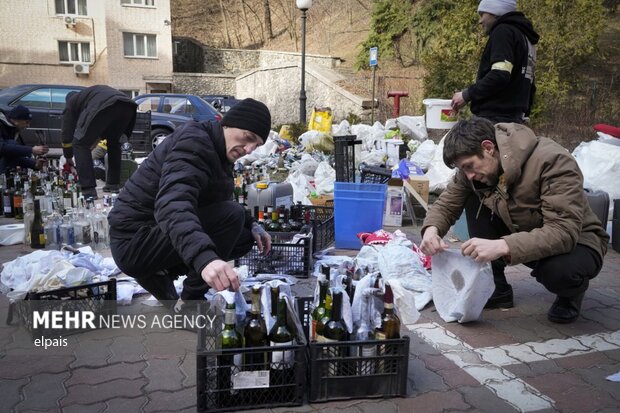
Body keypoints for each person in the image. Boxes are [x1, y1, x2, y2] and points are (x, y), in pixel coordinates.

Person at [420, 118, 608, 324]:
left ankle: (570, 295)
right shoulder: (473, 170)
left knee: (559, 272)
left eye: (469, 166)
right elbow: (447, 203)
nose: (469, 175)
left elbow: (563, 231)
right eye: (463, 169)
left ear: (488, 147)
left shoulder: (553, 161)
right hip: (523, 230)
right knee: (473, 196)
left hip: (577, 241)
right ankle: (497, 288)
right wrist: (432, 230)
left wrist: (503, 245)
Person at [108, 98, 273, 306]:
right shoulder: (194, 142)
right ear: (228, 123)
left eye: (256, 145)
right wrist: (206, 260)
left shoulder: (219, 149)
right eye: (248, 138)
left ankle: (162, 272)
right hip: (133, 242)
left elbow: (216, 201)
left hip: (154, 233)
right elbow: (172, 204)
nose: (249, 149)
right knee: (232, 216)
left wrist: (253, 225)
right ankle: (190, 303)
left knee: (244, 235)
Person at [451, 0, 539, 124]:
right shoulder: (526, 38)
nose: (480, 21)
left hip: (494, 119)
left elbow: (500, 74)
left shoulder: (503, 31)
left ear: (495, 12)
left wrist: (466, 95)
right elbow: (530, 84)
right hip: (516, 119)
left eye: (482, 15)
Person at [61, 85, 137, 199]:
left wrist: (68, 156)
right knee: (113, 143)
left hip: (108, 104)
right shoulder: (90, 96)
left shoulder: (71, 102)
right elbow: (102, 127)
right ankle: (113, 184)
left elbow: (67, 133)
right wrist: (92, 141)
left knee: (80, 144)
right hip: (128, 106)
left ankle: (88, 190)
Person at [0, 105, 49, 173]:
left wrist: (35, 164)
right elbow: (2, 148)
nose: (28, 126)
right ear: (15, 119)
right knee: (12, 144)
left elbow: (14, 155)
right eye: (26, 122)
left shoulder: (13, 129)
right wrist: (31, 150)